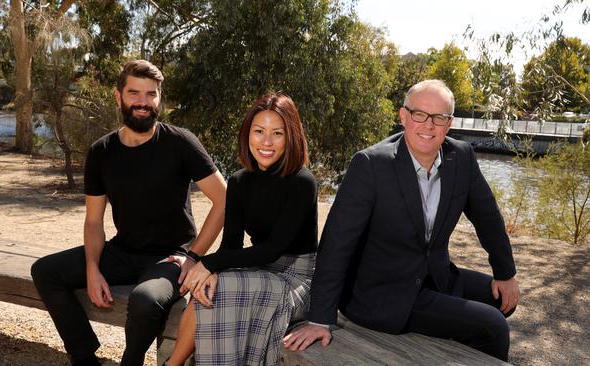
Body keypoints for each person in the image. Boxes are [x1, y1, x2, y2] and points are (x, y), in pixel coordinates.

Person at [284, 80, 520, 361]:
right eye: (419, 114)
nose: (428, 125)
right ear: (404, 116)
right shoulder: (371, 165)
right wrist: (320, 318)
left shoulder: (462, 158)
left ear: (449, 123)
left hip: (436, 275)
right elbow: (336, 244)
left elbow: (487, 217)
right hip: (385, 291)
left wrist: (505, 273)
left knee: (504, 301)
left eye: (439, 117)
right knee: (493, 326)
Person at [31, 59, 227, 366]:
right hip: (123, 251)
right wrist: (92, 268)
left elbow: (224, 199)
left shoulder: (180, 143)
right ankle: (84, 358)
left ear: (159, 98)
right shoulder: (101, 152)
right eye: (135, 92)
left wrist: (194, 256)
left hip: (171, 257)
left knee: (145, 300)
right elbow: (94, 221)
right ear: (118, 95)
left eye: (151, 94)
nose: (143, 102)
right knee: (45, 271)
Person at [164, 92, 318, 366]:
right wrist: (210, 269)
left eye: (277, 133)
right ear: (248, 134)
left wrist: (208, 264)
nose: (267, 142)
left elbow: (272, 250)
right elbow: (231, 246)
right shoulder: (238, 182)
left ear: (291, 137)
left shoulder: (302, 182)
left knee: (216, 287)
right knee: (207, 289)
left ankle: (172, 364)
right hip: (257, 268)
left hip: (296, 279)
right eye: (259, 131)